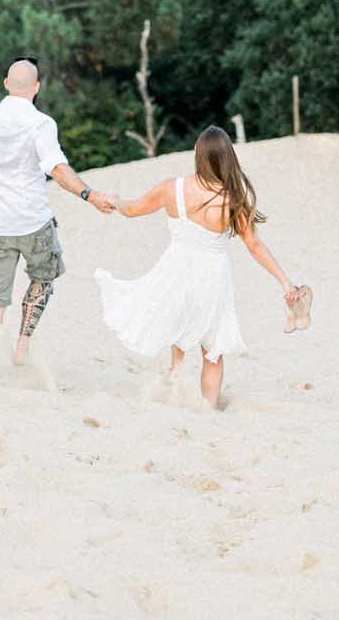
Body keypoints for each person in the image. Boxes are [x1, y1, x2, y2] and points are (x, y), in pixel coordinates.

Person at [95, 125, 309, 409]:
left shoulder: (172, 188)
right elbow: (254, 246)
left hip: (176, 272)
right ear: (227, 158)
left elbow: (133, 210)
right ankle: (206, 408)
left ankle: (175, 390)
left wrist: (114, 200)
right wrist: (285, 282)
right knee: (213, 351)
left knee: (179, 338)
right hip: (212, 279)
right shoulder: (232, 200)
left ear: (198, 155)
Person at [0, 58, 116, 365]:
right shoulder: (41, 123)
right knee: (44, 278)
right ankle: (22, 345)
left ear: (5, 84)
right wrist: (89, 194)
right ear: (36, 87)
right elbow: (57, 170)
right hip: (33, 222)